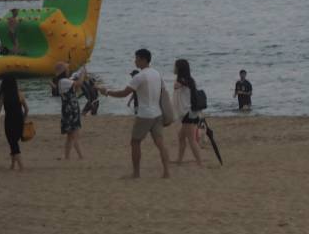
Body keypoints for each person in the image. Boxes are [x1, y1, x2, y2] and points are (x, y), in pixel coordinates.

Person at [101, 48, 171, 179]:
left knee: (135, 142)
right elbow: (163, 92)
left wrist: (107, 92)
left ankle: (136, 173)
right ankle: (166, 172)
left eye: (137, 58)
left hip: (145, 114)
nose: (135, 60)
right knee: (160, 143)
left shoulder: (139, 76)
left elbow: (124, 93)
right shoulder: (156, 73)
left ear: (143, 59)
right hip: (158, 113)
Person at [0, 76, 29, 171]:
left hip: (9, 121)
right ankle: (12, 165)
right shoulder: (19, 93)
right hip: (19, 120)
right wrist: (23, 120)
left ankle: (21, 166)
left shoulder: (4, 95)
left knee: (13, 143)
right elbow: (27, 109)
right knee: (13, 142)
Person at [173, 58, 204, 167]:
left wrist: (180, 83)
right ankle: (179, 160)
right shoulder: (189, 80)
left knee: (191, 140)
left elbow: (178, 85)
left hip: (188, 114)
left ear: (180, 68)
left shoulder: (183, 80)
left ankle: (200, 163)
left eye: (175, 66)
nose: (174, 68)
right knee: (181, 136)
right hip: (190, 113)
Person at [56, 62, 85, 161]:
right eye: (67, 69)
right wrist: (82, 73)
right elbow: (79, 84)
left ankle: (76, 156)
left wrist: (79, 75)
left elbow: (75, 89)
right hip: (70, 110)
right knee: (72, 134)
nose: (68, 70)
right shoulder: (63, 81)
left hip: (71, 109)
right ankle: (73, 156)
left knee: (73, 134)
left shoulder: (64, 81)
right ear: (64, 71)